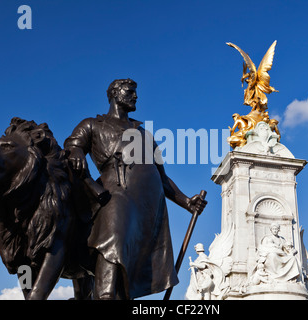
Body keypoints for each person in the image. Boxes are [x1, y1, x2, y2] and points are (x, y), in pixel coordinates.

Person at [64, 78, 207, 300]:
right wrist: (76, 154)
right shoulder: (92, 124)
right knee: (112, 241)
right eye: (130, 91)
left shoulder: (145, 134)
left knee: (128, 273)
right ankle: (103, 295)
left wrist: (187, 201)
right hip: (115, 194)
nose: (136, 96)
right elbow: (73, 146)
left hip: (148, 210)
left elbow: (163, 178)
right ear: (114, 94)